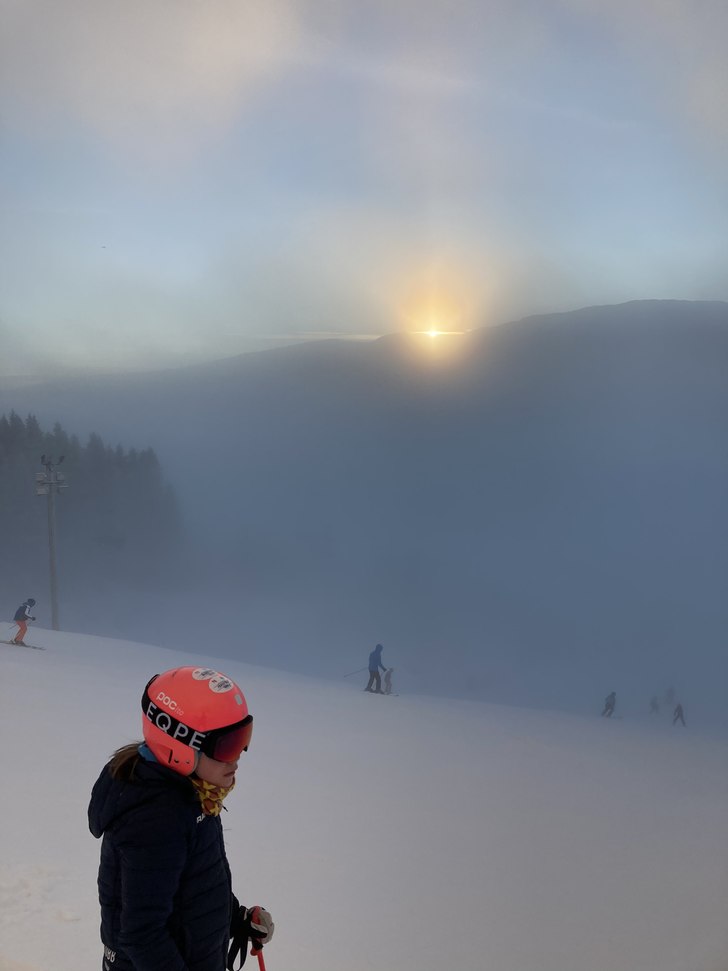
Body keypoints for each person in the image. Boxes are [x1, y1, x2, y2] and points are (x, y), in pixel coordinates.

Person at [88, 665, 274, 971]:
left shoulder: (195, 794)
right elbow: (142, 935)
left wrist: (234, 917)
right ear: (180, 746)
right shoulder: (153, 820)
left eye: (243, 738)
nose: (239, 756)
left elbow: (190, 886)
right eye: (227, 744)